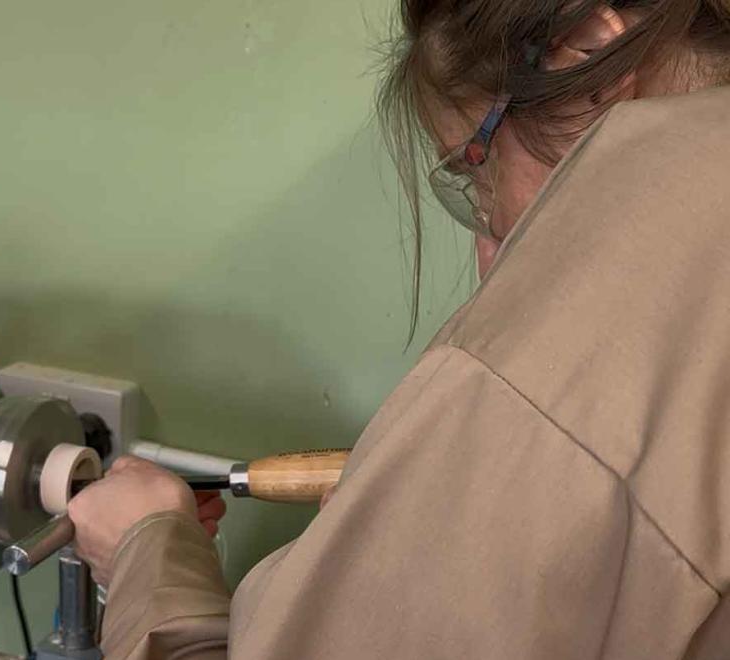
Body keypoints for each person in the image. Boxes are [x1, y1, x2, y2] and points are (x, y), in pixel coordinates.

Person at [68, 1, 730, 658]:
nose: (491, 244)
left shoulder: (560, 367)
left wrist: (146, 554)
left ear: (591, 60)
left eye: (477, 167)